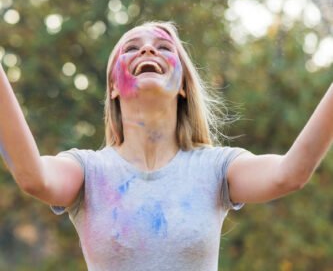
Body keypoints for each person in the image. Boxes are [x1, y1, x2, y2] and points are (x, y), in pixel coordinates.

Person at [0, 21, 332, 271]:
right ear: (113, 86)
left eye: (163, 46)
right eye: (131, 47)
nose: (147, 50)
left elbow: (289, 174)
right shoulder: (88, 171)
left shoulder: (215, 168)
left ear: (184, 86)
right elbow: (33, 177)